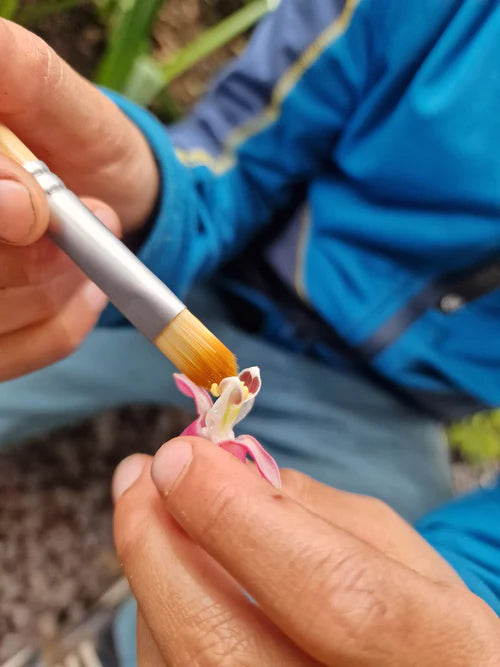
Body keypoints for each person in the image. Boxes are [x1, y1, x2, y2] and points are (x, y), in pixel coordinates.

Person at [0, 0, 499, 662]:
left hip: (382, 410)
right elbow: (235, 159)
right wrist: (153, 209)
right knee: (39, 330)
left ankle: (111, 651)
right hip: (214, 281)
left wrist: (467, 601)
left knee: (370, 558)